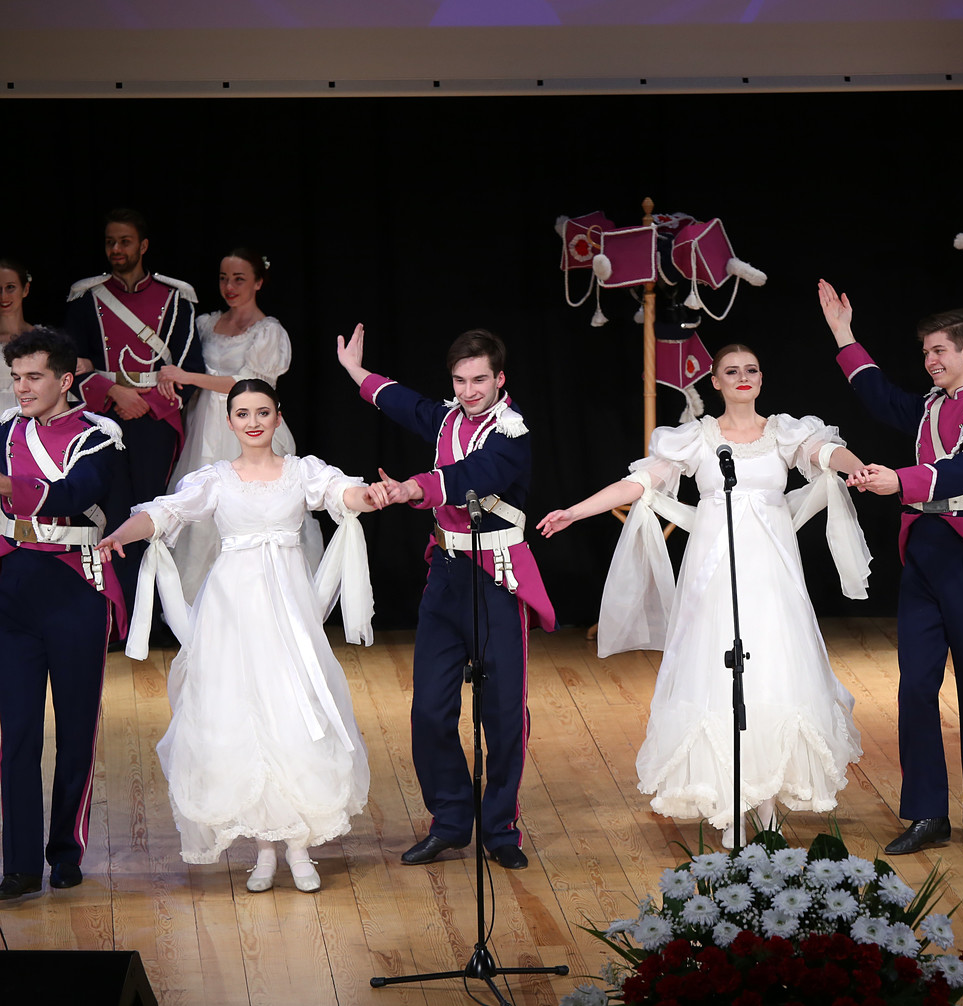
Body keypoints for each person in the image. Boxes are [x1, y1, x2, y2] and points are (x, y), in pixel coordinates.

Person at [537, 343, 871, 848]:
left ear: (762, 378)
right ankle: (730, 806)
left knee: (773, 677)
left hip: (771, 577)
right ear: (715, 382)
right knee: (718, 677)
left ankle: (767, 807)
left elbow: (826, 453)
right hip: (716, 577)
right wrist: (575, 511)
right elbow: (639, 483)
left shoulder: (783, 432)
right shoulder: (696, 438)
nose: (743, 377)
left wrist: (858, 467)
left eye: (751, 369)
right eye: (731, 371)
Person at [96, 379, 384, 892]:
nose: (253, 422)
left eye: (262, 412)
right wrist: (122, 532)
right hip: (231, 611)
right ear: (229, 421)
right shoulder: (215, 479)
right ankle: (264, 850)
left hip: (287, 612)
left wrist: (368, 495)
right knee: (240, 716)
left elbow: (340, 493)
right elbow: (165, 513)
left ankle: (298, 847)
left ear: (278, 417)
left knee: (293, 713)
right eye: (243, 413)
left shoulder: (300, 471)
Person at [337, 324, 556, 870]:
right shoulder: (447, 419)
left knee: (503, 713)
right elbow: (402, 402)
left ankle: (500, 827)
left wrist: (410, 488)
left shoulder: (512, 432)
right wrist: (356, 372)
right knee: (431, 711)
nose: (468, 390)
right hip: (447, 574)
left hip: (498, 577)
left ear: (500, 379)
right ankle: (452, 821)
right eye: (460, 380)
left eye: (479, 380)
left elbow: (469, 476)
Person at [818, 279, 963, 855]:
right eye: (926, 352)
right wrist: (844, 335)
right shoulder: (930, 406)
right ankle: (928, 814)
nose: (930, 360)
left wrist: (900, 481)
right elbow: (880, 396)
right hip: (925, 553)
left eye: (939, 350)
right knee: (914, 689)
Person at [0, 327, 128, 901]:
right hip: (12, 588)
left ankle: (66, 852)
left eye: (34, 377)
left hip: (76, 589)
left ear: (65, 379)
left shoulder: (99, 437)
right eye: (16, 378)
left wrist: (8, 485)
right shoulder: (4, 431)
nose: (22, 388)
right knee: (16, 734)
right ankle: (21, 864)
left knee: (76, 729)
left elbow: (76, 494)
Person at [161, 248, 321, 601]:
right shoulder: (207, 324)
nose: (229, 287)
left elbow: (250, 384)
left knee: (249, 509)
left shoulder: (267, 332)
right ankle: (202, 604)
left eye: (239, 279)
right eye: (224, 279)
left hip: (246, 424)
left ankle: (259, 601)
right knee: (202, 509)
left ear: (258, 282)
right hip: (205, 425)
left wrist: (189, 377)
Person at [63, 208, 202, 602]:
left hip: (155, 419)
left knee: (149, 510)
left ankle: (149, 611)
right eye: (110, 242)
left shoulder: (177, 299)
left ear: (143, 246)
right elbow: (69, 366)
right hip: (101, 417)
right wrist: (114, 392)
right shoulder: (86, 298)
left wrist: (147, 404)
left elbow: (189, 367)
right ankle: (112, 609)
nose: (116, 249)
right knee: (107, 507)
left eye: (124, 242)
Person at [0, 257, 34, 414]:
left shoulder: (46, 340)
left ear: (25, 289)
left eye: (10, 287)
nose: (3, 296)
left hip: (33, 424)